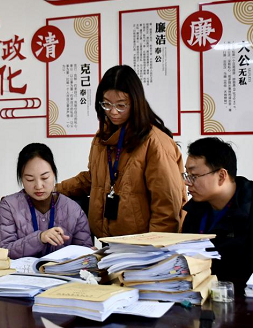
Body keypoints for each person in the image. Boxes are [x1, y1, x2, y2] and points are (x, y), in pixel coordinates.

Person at [56, 65, 188, 239]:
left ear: (135, 103)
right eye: (106, 104)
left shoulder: (156, 143)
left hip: (141, 246)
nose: (113, 111)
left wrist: (153, 248)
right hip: (108, 241)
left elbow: (167, 207)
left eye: (121, 105)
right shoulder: (102, 137)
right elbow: (94, 178)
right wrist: (53, 189)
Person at [181, 137, 253, 286]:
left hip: (244, 296)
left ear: (221, 176)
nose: (187, 182)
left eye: (194, 176)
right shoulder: (195, 211)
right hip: (203, 293)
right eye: (187, 175)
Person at [0, 143, 93, 259]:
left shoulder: (73, 209)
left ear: (54, 174)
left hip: (62, 271)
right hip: (20, 270)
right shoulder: (8, 207)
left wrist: (90, 254)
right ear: (21, 178)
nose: (38, 186)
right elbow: (3, 251)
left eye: (45, 177)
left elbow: (84, 254)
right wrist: (39, 238)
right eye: (30, 179)